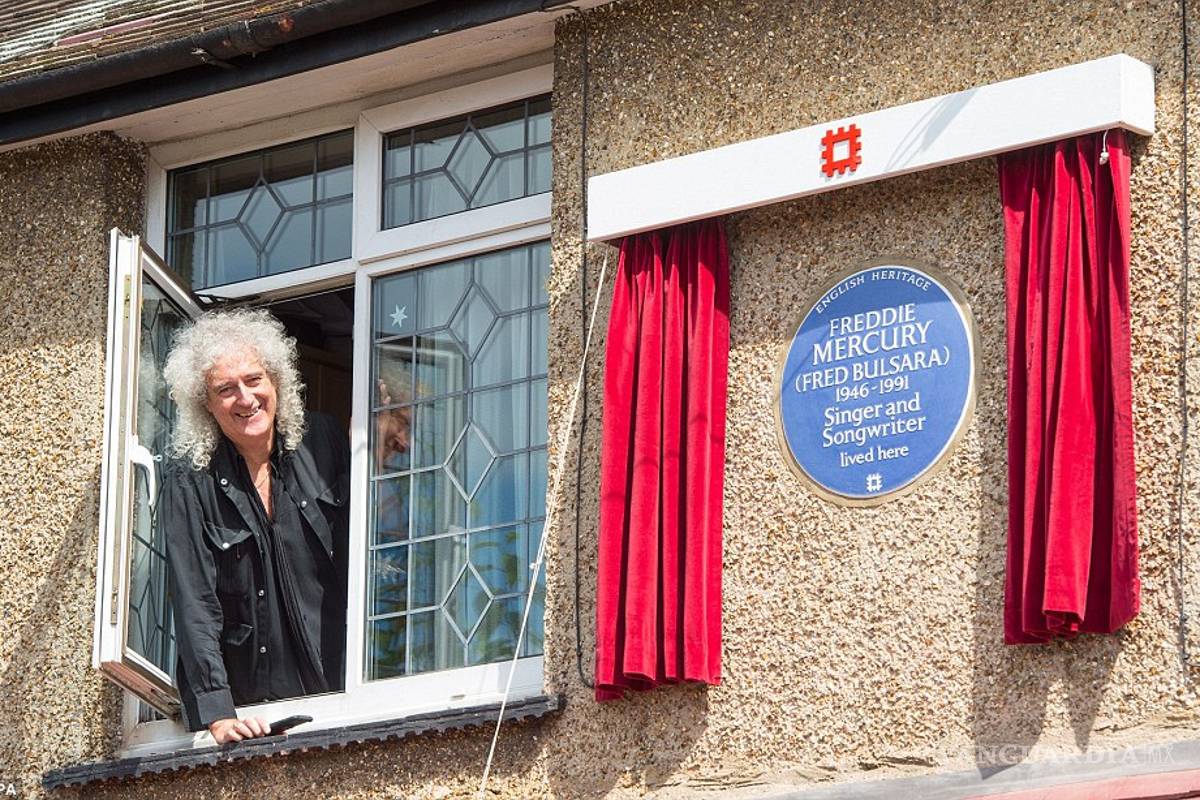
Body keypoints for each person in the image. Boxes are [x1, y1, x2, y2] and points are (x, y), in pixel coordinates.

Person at [161, 308, 349, 744]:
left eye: (253, 379)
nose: (244, 398)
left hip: (339, 684)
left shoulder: (323, 440)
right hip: (253, 706)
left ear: (276, 381)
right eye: (225, 389)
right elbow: (195, 599)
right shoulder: (190, 479)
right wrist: (219, 712)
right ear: (205, 404)